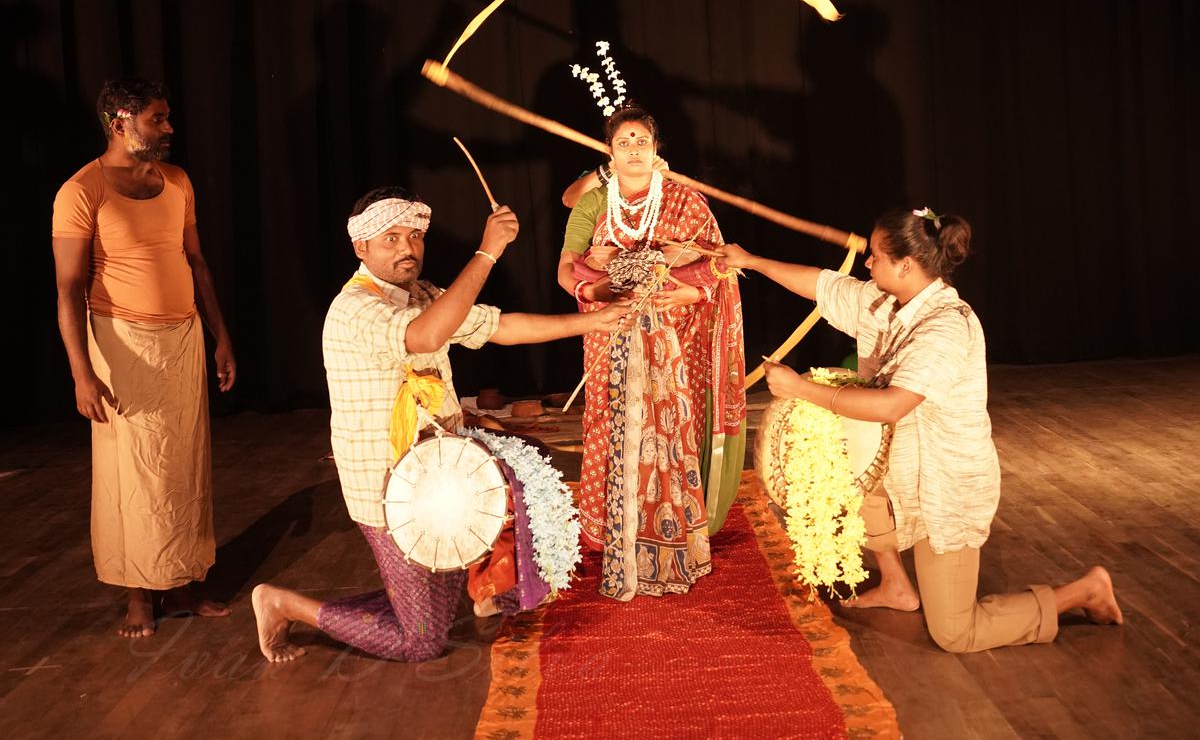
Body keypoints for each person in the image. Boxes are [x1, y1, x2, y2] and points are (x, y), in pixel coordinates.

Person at [717, 207, 1122, 653]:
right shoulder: (885, 301)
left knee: (955, 634)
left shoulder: (947, 327)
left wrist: (802, 389)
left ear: (905, 265)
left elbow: (892, 405)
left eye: (875, 256)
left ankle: (1083, 591)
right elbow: (821, 284)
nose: (867, 263)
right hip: (899, 474)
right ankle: (897, 585)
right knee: (838, 475)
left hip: (945, 490)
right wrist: (750, 260)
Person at [252, 187, 630, 662]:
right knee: (423, 640)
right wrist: (487, 252)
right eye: (390, 238)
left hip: (441, 475)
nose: (407, 248)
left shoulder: (424, 293)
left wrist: (595, 323)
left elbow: (500, 327)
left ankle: (478, 591)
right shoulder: (354, 309)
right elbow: (425, 334)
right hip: (391, 490)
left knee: (510, 510)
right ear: (360, 247)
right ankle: (283, 603)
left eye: (414, 235)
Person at [51, 76, 236, 638]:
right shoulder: (80, 191)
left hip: (182, 338)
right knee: (131, 470)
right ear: (120, 122)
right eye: (158, 119)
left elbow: (197, 263)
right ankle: (138, 591)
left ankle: (181, 583)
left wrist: (220, 335)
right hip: (120, 342)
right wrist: (81, 371)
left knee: (182, 465)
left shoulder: (176, 180)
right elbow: (68, 289)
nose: (169, 128)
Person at [556, 105, 746, 601]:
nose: (634, 149)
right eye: (625, 142)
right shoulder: (593, 203)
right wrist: (602, 293)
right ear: (609, 153)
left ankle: (672, 534)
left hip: (672, 339)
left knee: (667, 429)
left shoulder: (687, 200)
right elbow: (568, 273)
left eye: (643, 140)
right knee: (608, 423)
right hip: (609, 334)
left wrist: (687, 290)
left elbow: (720, 266)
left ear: (657, 149)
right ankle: (606, 534)